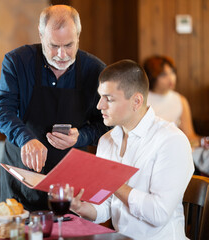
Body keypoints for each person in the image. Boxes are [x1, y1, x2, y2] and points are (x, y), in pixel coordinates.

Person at [0, 5, 109, 211]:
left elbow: (107, 125)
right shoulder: (17, 62)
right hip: (21, 179)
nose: (61, 54)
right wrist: (25, 138)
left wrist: (80, 137)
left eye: (69, 45)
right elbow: (1, 110)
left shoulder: (96, 70)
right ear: (40, 34)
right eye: (54, 45)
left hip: (71, 185)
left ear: (79, 36)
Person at [70, 60, 194, 239]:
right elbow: (105, 208)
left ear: (136, 101)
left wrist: (112, 182)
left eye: (109, 99)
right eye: (100, 97)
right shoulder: (106, 141)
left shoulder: (172, 141)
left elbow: (158, 213)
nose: (99, 106)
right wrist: (79, 207)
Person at [143, 55, 206, 148]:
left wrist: (203, 141)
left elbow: (189, 135)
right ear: (152, 77)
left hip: (175, 147)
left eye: (172, 72)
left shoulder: (180, 100)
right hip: (150, 147)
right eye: (163, 74)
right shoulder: (142, 99)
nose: (171, 78)